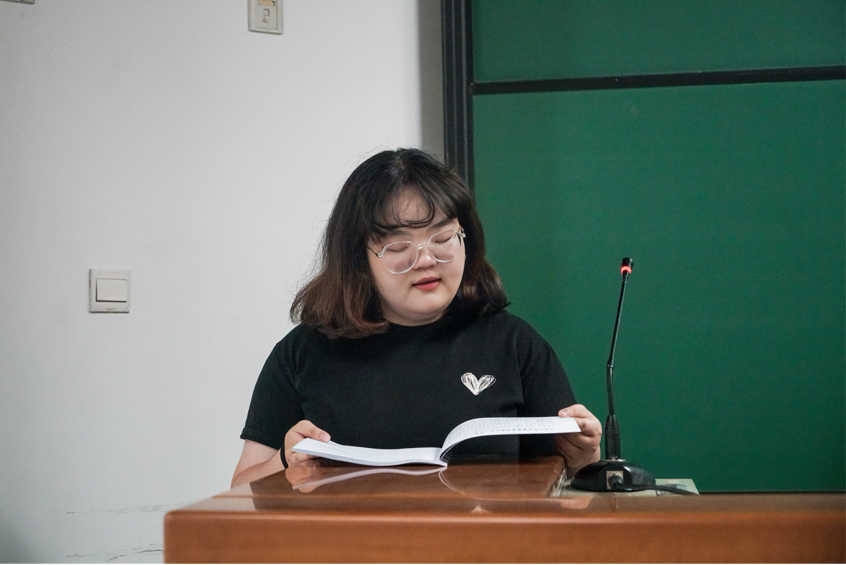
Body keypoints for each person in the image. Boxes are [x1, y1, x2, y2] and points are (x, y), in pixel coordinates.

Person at [231, 148, 601, 488]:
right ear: (359, 258)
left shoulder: (516, 345)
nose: (425, 259)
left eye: (442, 238)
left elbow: (568, 489)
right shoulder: (302, 354)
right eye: (399, 246)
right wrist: (285, 460)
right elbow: (240, 491)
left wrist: (584, 456)